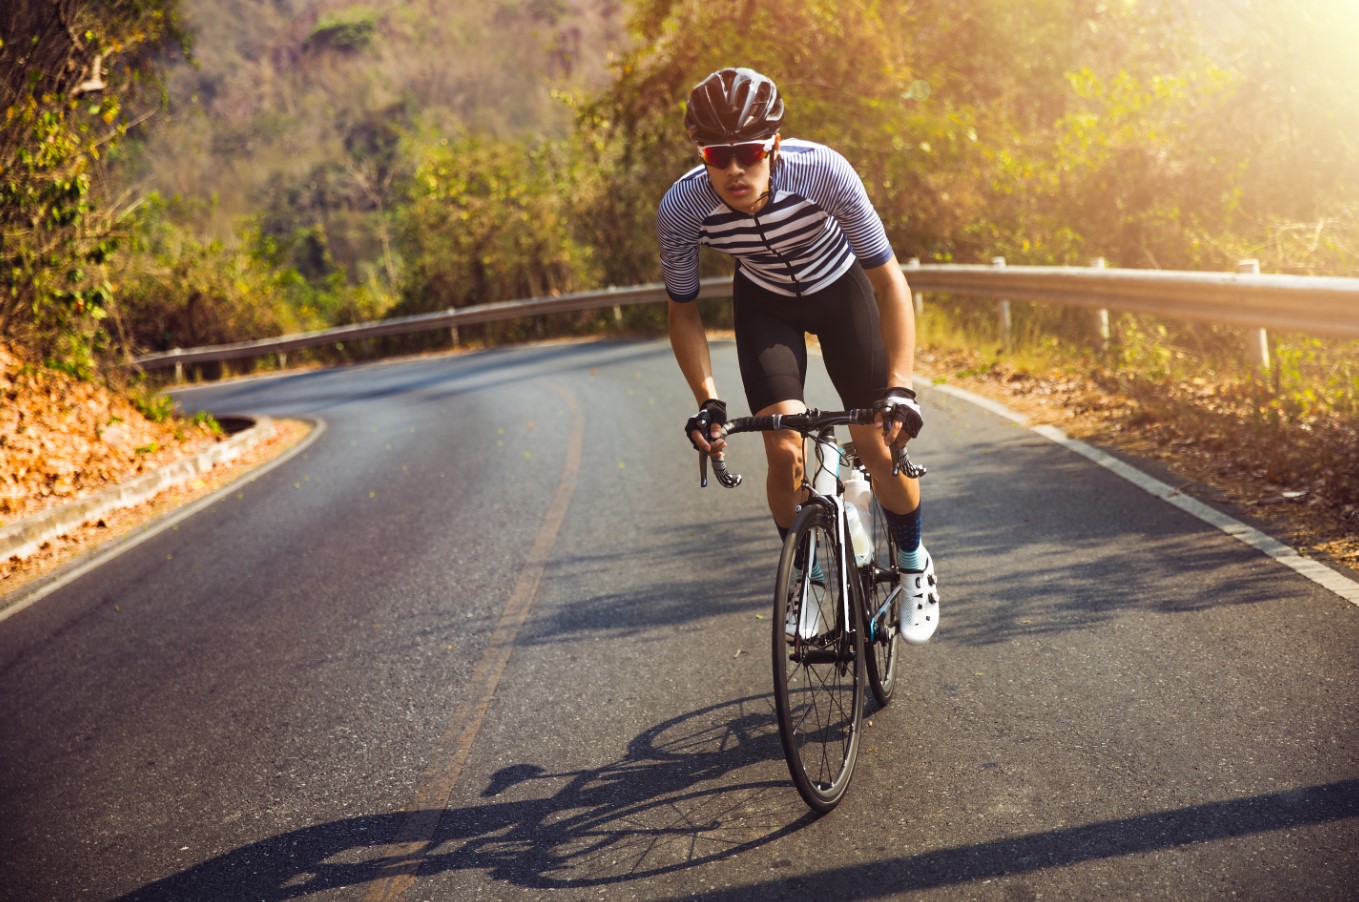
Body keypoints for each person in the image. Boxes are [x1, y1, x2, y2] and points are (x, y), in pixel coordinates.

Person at [657, 67, 939, 644]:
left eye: (750, 152)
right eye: (718, 155)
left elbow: (888, 281)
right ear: (702, 154)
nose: (734, 169)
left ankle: (913, 563)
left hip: (842, 292)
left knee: (874, 443)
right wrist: (708, 401)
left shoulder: (822, 171)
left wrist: (900, 385)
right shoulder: (682, 208)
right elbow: (683, 311)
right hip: (766, 305)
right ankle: (808, 577)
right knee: (782, 447)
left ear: (774, 146)